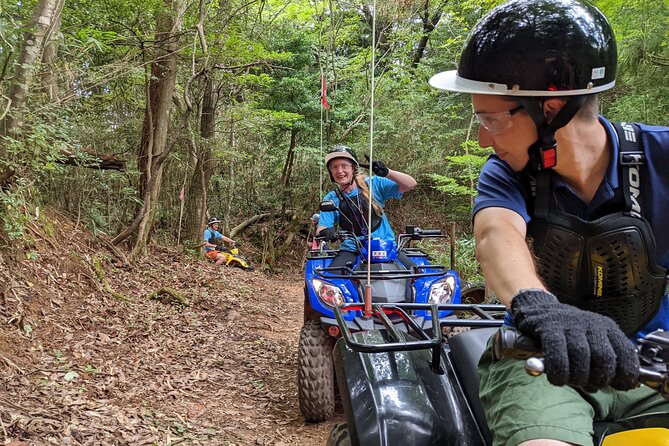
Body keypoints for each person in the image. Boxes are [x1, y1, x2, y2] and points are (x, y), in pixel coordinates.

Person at [429, 0, 669, 444]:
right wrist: (540, 307)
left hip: (656, 367)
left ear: (551, 109)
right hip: (539, 363)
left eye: (491, 119)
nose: (483, 137)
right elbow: (496, 234)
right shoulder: (505, 173)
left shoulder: (661, 158)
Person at [316, 145, 417, 268]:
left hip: (385, 247)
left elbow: (411, 184)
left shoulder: (374, 184)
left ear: (353, 168)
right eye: (334, 167)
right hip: (352, 250)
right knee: (332, 280)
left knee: (417, 276)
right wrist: (326, 232)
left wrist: (387, 173)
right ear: (331, 172)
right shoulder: (331, 199)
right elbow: (322, 227)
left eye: (344, 166)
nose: (340, 171)